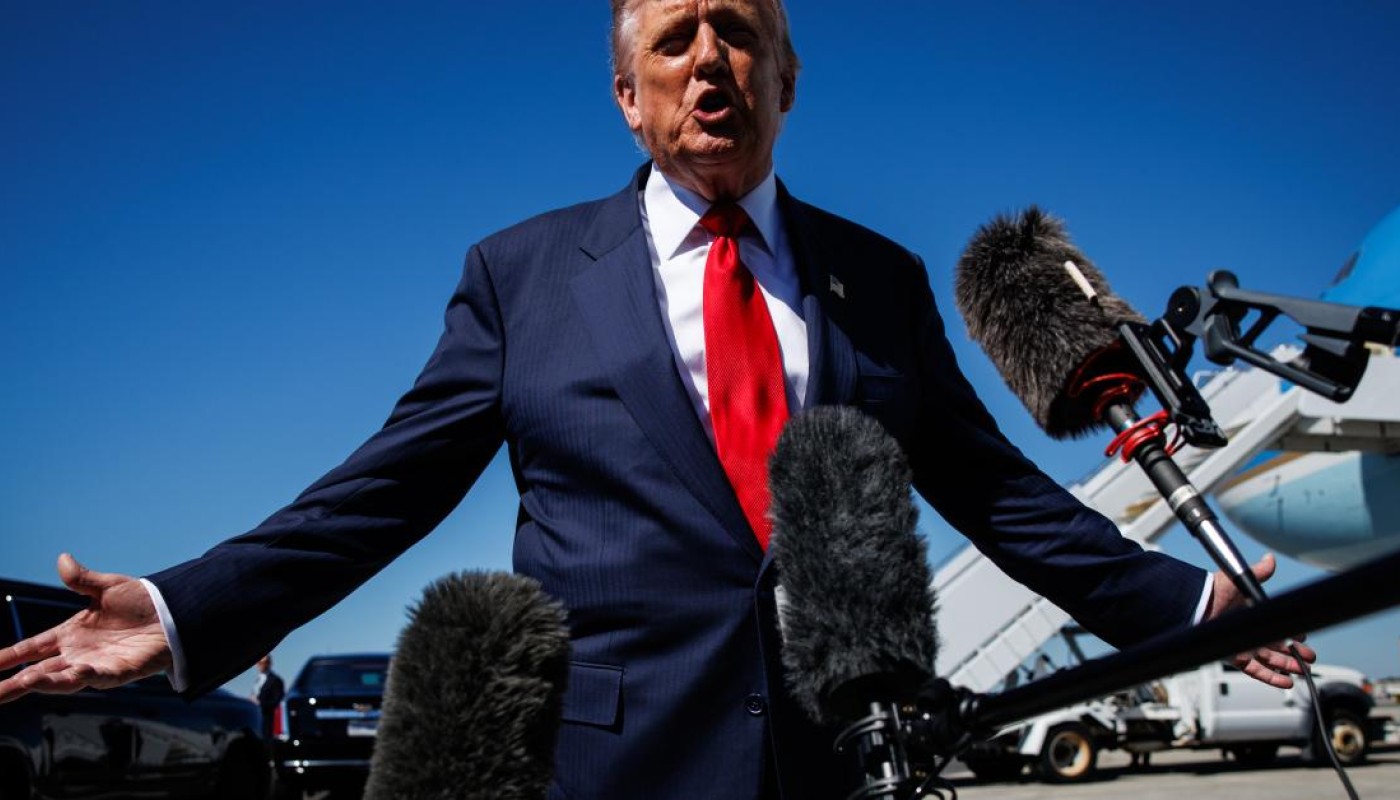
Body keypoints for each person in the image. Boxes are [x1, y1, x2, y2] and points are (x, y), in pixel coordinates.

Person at [0, 2, 1312, 798]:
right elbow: (385, 488)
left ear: (785, 81)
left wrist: (1186, 605)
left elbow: (994, 490)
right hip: (612, 766)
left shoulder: (880, 281)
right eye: (674, 40)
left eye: (738, 32)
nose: (708, 60)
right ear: (629, 99)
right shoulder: (521, 276)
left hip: (828, 762)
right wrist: (184, 606)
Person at [252, 654, 285, 739]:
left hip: (268, 718)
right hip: (256, 718)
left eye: (265, 662)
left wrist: (261, 704)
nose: (262, 665)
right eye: (259, 663)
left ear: (270, 663)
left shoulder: (276, 680)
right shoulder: (258, 680)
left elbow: (277, 700)